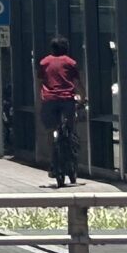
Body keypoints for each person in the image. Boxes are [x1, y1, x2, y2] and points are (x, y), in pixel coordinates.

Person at [37, 35, 81, 188]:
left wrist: (41, 97)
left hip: (49, 100)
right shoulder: (70, 63)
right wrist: (84, 97)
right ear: (66, 48)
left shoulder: (44, 62)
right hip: (67, 100)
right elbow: (78, 82)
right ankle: (69, 152)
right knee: (69, 129)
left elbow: (40, 81)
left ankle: (53, 159)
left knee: (51, 131)